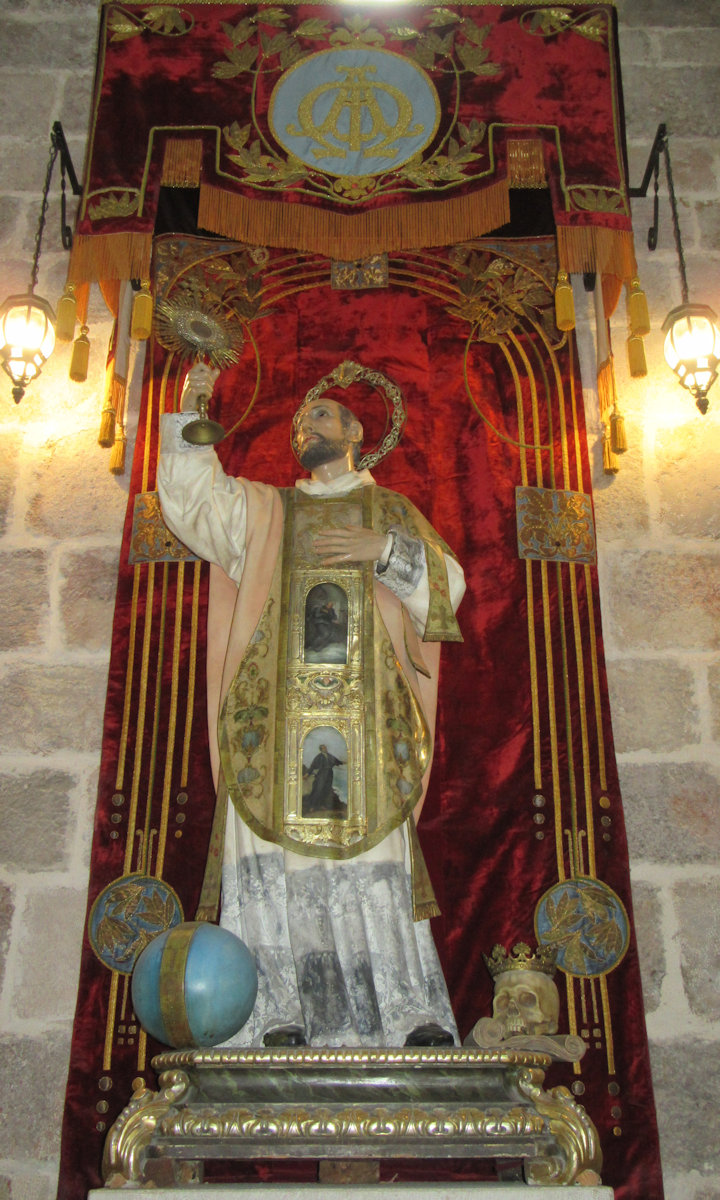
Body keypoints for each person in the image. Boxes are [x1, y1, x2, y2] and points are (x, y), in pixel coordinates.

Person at [157, 363, 465, 1048]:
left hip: (368, 731)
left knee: (371, 862)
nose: (307, 427)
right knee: (276, 858)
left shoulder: (391, 513)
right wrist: (189, 410)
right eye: (300, 422)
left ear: (357, 432)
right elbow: (194, 504)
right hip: (272, 730)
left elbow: (452, 588)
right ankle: (272, 1014)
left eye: (322, 416)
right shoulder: (268, 510)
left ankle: (401, 1014)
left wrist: (382, 550)